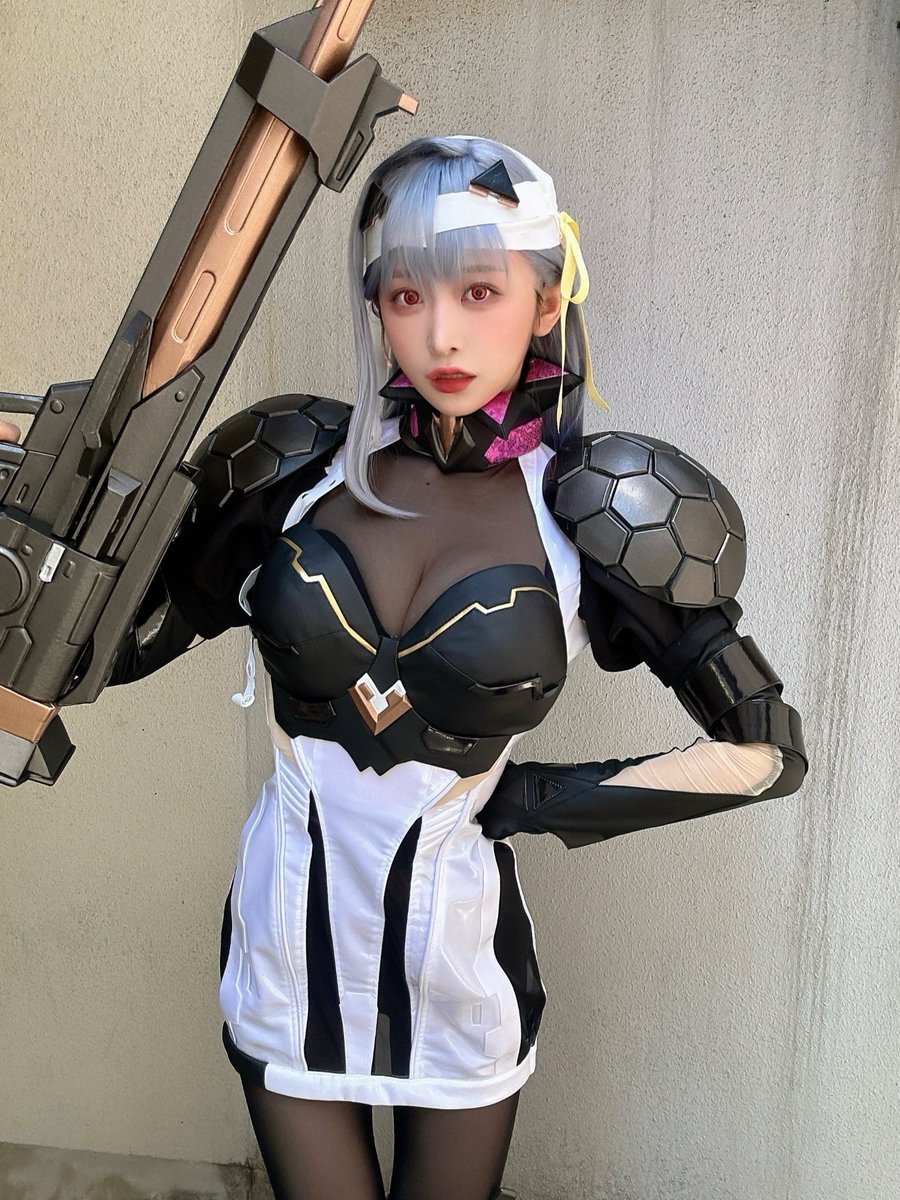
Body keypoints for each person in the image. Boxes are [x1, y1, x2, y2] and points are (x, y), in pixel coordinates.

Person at [93, 135, 805, 1199]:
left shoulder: (604, 510)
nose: (440, 334)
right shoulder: (293, 468)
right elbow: (116, 649)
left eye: (479, 291)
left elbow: (766, 752)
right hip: (285, 946)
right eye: (404, 295)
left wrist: (529, 798)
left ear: (547, 296)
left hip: (458, 964)